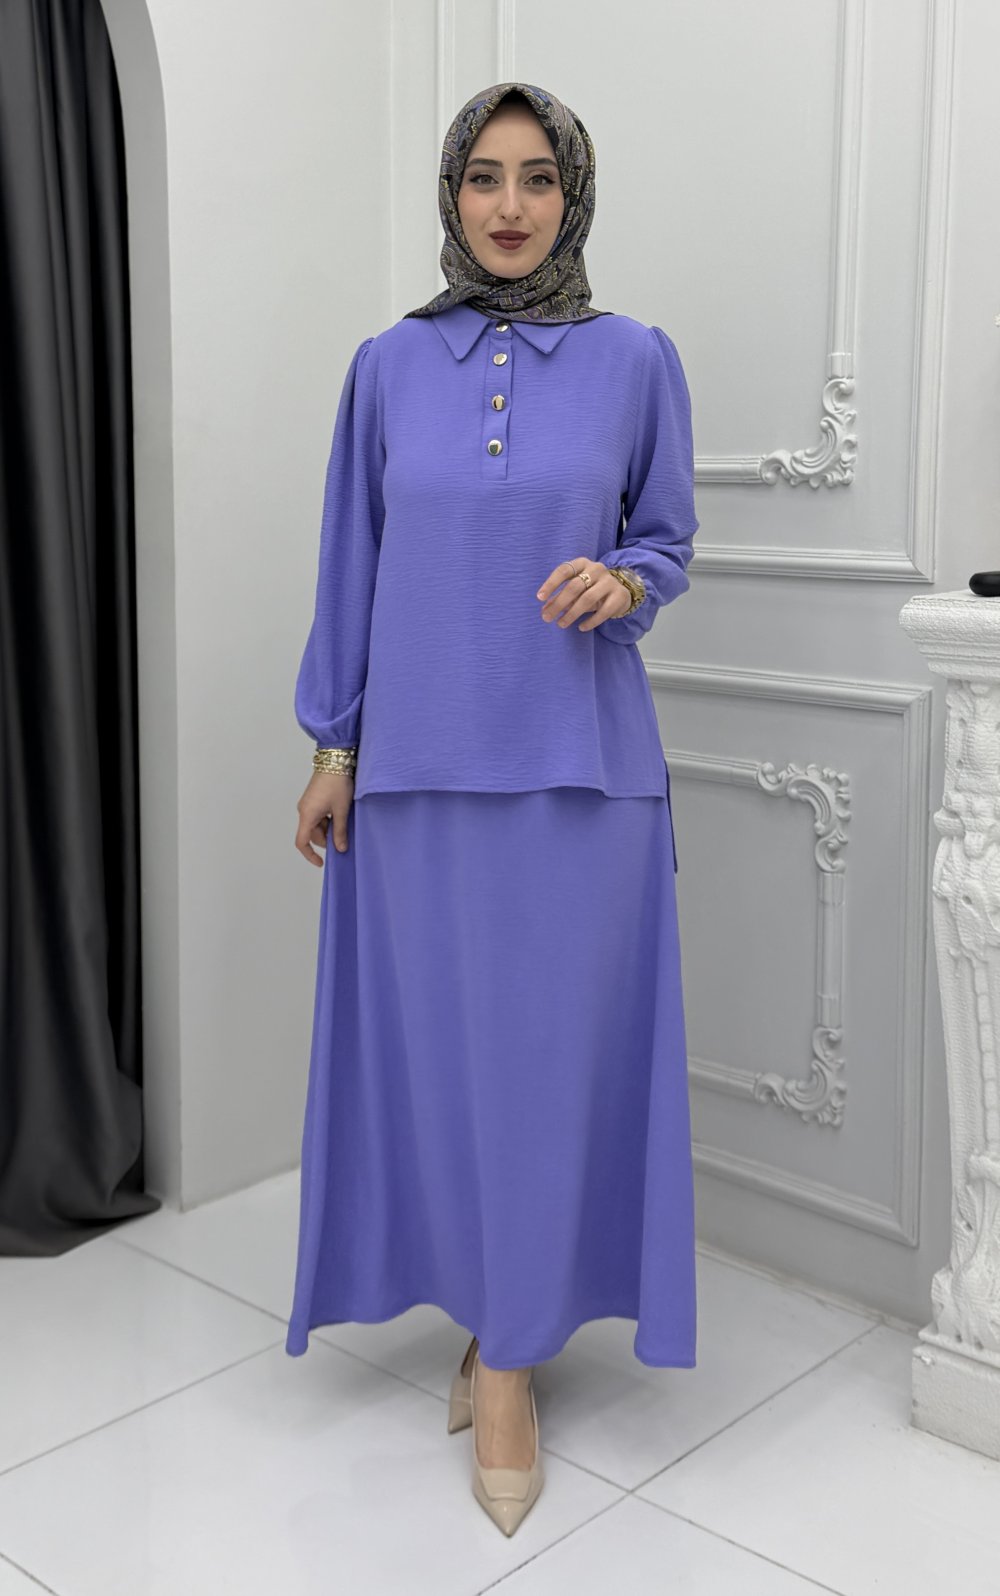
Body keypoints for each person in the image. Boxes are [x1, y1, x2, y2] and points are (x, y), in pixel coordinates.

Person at [286, 79, 699, 1537]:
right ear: (452, 194)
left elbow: (668, 538)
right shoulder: (386, 366)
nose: (509, 206)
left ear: (573, 195)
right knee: (445, 1069)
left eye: (537, 178)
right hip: (416, 774)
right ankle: (487, 1320)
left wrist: (625, 582)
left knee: (550, 1070)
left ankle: (510, 1359)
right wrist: (333, 747)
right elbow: (351, 561)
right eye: (483, 176)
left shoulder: (636, 358)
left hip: (582, 774)